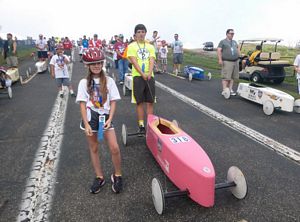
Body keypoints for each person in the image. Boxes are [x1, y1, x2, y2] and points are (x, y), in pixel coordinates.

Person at [76, 47, 123, 194]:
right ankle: (99, 177)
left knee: (114, 147)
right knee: (94, 148)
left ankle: (118, 175)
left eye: (99, 63)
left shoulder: (109, 81)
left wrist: (110, 118)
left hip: (105, 117)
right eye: (93, 63)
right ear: (87, 65)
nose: (96, 66)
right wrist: (87, 123)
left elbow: (114, 101)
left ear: (102, 63)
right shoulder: (83, 83)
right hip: (91, 117)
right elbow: (83, 104)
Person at [127, 24, 156, 134]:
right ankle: (141, 125)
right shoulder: (132, 46)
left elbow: (152, 59)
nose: (141, 34)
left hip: (149, 76)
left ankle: (150, 125)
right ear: (135, 34)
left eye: (143, 31)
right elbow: (134, 61)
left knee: (150, 102)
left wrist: (149, 73)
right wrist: (142, 73)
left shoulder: (150, 47)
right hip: (138, 77)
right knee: (139, 102)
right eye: (139, 32)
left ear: (145, 33)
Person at [217, 29, 240, 96]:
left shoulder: (234, 42)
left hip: (235, 61)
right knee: (226, 77)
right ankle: (225, 90)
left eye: (233, 33)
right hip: (227, 61)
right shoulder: (223, 42)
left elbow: (238, 48)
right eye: (231, 33)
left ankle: (230, 90)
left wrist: (239, 55)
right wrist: (220, 59)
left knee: (232, 77)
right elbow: (219, 50)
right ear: (227, 34)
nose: (232, 35)